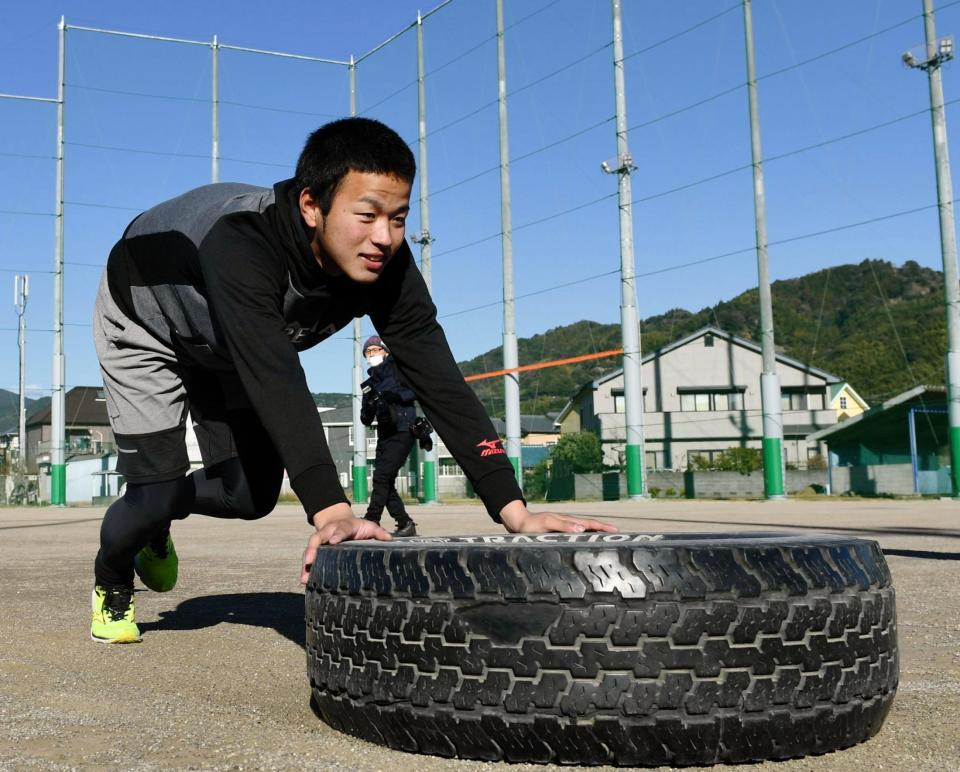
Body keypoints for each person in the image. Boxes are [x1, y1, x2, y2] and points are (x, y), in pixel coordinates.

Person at [89, 116, 616, 644]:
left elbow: (438, 378)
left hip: (227, 345)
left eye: (399, 217)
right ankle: (113, 578)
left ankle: (160, 511)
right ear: (311, 206)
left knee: (250, 497)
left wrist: (514, 510)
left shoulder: (386, 265)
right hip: (146, 321)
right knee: (151, 496)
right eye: (366, 215)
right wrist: (332, 511)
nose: (383, 237)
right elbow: (276, 375)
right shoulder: (243, 244)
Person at [359, 335, 419, 537]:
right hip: (385, 434)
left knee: (383, 477)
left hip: (404, 430)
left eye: (376, 350)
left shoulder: (397, 370)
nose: (372, 354)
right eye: (368, 352)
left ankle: (371, 519)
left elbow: (415, 392)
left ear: (385, 351)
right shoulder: (369, 384)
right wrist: (368, 406)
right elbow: (365, 420)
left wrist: (397, 396)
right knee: (382, 480)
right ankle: (405, 523)